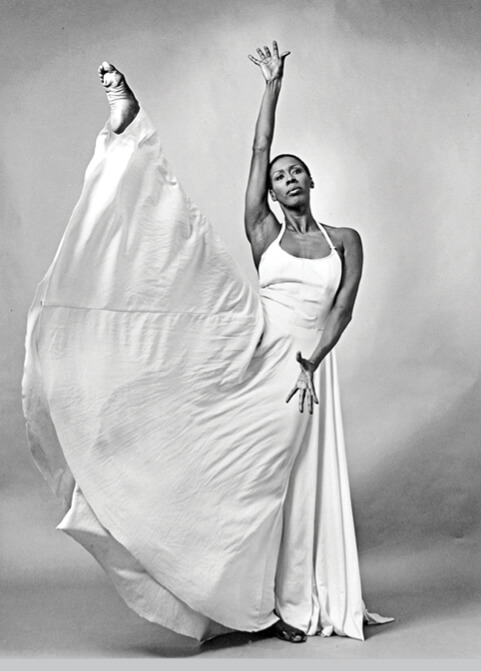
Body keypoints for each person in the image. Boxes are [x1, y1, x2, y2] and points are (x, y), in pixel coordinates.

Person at [22, 42, 391, 645]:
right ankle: (130, 129)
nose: (287, 177)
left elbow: (344, 307)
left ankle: (291, 603)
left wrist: (314, 362)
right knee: (245, 478)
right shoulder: (262, 230)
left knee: (284, 486)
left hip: (309, 368)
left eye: (297, 171)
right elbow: (258, 149)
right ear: (269, 193)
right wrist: (273, 86)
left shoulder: (346, 237)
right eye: (279, 176)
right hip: (263, 357)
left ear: (312, 180)